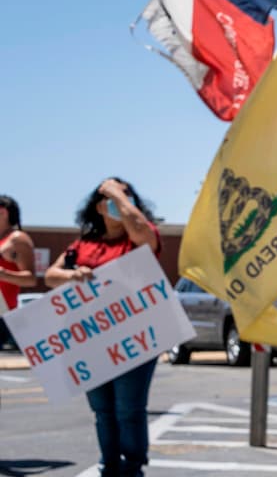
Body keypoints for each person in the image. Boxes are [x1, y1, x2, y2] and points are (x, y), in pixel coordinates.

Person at [45, 179, 161, 477]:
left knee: (129, 410)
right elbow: (50, 276)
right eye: (108, 200)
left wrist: (118, 196)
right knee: (103, 411)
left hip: (133, 338)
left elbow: (144, 237)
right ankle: (109, 466)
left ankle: (132, 468)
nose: (117, 203)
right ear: (97, 208)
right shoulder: (83, 244)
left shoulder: (136, 239)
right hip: (91, 340)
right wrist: (73, 276)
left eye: (125, 197)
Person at [0, 194, 37, 349]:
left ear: (4, 213)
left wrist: (3, 274)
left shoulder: (17, 239)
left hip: (2, 313)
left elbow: (31, 279)